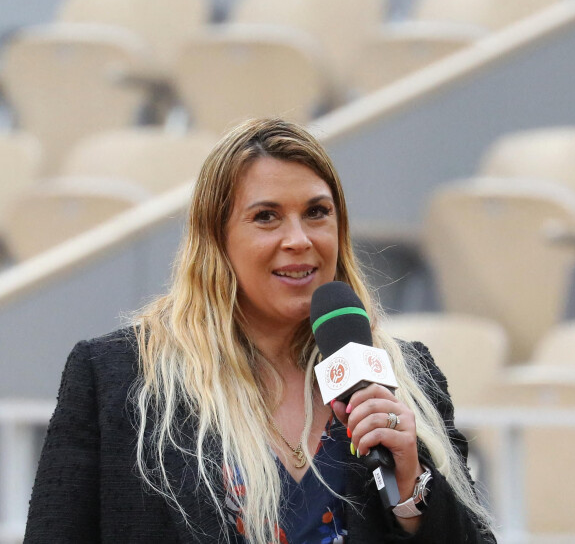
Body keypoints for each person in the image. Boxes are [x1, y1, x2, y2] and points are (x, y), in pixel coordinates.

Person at [24, 118, 495, 543]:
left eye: (317, 213)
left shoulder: (404, 374)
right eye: (266, 216)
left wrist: (411, 491)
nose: (299, 239)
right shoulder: (117, 376)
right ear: (216, 240)